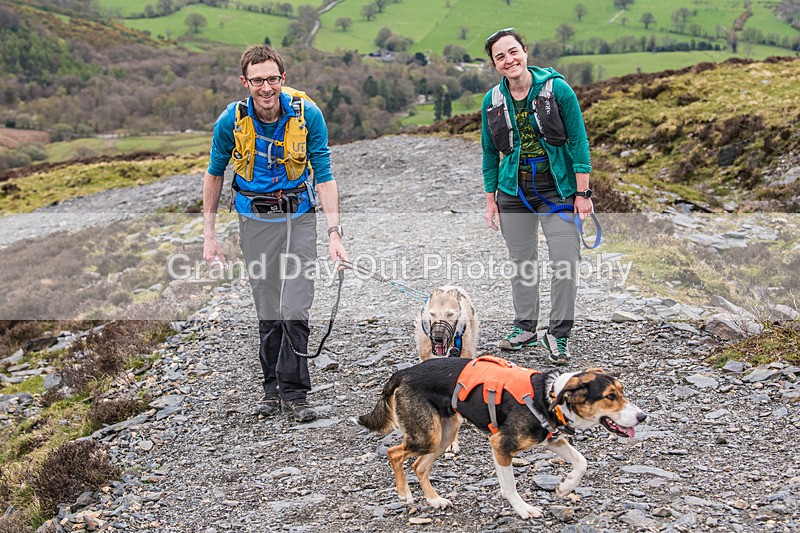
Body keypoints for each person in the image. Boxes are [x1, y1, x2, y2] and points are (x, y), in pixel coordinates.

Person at [202, 45, 349, 421]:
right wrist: (209, 235)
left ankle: (296, 395)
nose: (265, 87)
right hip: (254, 222)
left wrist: (334, 233)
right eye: (257, 80)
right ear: (245, 82)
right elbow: (214, 174)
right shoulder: (230, 122)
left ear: (283, 79)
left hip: (299, 217)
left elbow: (325, 174)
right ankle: (271, 390)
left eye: (272, 79)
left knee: (295, 306)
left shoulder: (307, 115)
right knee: (268, 308)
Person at [481, 29, 593, 365]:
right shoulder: (492, 101)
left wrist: (583, 192)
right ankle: (525, 327)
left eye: (513, 52)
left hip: (556, 188)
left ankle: (558, 334)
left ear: (525, 52)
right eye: (500, 56)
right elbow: (489, 154)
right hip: (512, 191)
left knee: (565, 262)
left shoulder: (557, 89)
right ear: (494, 63)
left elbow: (578, 141)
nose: (508, 60)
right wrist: (491, 200)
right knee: (522, 263)